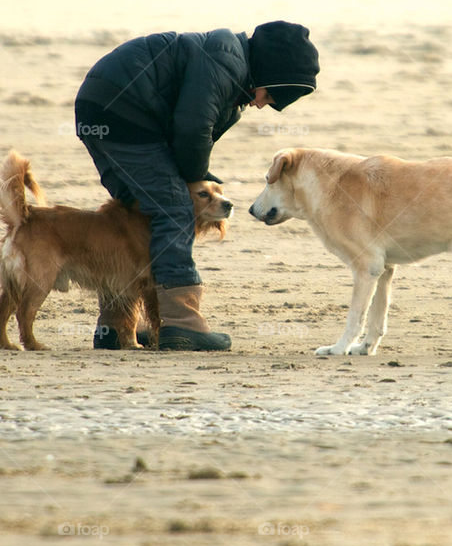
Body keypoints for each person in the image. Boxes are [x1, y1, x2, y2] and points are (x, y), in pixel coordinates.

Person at [74, 21, 320, 351]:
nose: (263, 104)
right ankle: (182, 325)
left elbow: (188, 136)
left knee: (137, 216)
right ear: (268, 72)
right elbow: (191, 130)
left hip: (106, 109)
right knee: (174, 210)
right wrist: (192, 177)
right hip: (123, 113)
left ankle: (116, 329)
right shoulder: (226, 61)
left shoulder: (230, 69)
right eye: (271, 95)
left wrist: (191, 174)